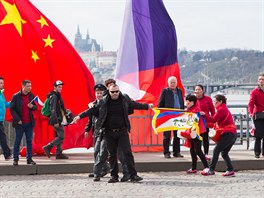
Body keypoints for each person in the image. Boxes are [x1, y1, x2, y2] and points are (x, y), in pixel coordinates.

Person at [72, 84, 153, 183]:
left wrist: (147, 106)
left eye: (117, 91)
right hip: (108, 133)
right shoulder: (103, 102)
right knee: (112, 155)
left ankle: (133, 175)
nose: (115, 94)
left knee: (127, 153)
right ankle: (114, 176)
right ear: (109, 92)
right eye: (113, 92)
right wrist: (79, 116)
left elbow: (135, 105)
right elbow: (91, 110)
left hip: (122, 131)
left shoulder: (124, 99)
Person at [200, 94, 237, 176]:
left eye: (215, 101)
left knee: (216, 150)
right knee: (224, 153)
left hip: (228, 133)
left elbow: (213, 120)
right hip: (232, 133)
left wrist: (204, 114)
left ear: (220, 101)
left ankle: (211, 169)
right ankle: (230, 170)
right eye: (213, 101)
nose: (213, 103)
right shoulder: (223, 108)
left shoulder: (221, 109)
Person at [85, 83, 110, 180]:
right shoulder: (92, 105)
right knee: (96, 152)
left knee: (102, 152)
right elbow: (90, 119)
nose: (99, 94)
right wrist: (87, 129)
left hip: (105, 131)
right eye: (97, 93)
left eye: (101, 93)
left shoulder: (107, 104)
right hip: (96, 131)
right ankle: (100, 169)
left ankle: (99, 171)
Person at [10, 80, 37, 166]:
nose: (30, 88)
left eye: (30, 86)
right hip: (20, 123)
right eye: (28, 86)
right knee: (17, 141)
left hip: (29, 123)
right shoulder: (16, 96)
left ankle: (29, 159)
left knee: (29, 141)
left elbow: (35, 107)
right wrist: (17, 119)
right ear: (23, 86)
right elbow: (12, 109)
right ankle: (15, 159)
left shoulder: (31, 95)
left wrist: (32, 106)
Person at [158, 76, 184, 158]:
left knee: (177, 135)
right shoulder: (165, 91)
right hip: (168, 116)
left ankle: (177, 152)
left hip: (178, 116)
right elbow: (160, 104)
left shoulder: (179, 91)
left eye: (174, 82)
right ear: (168, 83)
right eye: (171, 82)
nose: (173, 84)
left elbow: (181, 102)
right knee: (167, 136)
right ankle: (166, 152)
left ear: (176, 83)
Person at [43, 80, 69, 159]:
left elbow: (58, 108)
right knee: (61, 136)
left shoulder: (57, 95)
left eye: (61, 87)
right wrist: (55, 121)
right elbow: (53, 110)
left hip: (58, 118)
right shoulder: (54, 96)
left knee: (58, 135)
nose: (60, 88)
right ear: (54, 87)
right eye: (59, 87)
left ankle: (59, 153)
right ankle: (48, 147)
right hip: (56, 119)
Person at [184, 94, 209, 174]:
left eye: (189, 101)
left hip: (198, 132)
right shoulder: (189, 109)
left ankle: (207, 167)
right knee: (192, 149)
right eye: (187, 101)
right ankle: (193, 167)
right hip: (191, 132)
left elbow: (194, 115)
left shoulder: (196, 110)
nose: (187, 103)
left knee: (198, 150)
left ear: (193, 102)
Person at [195, 84, 215, 160]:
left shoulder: (208, 99)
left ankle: (206, 153)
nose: (197, 91)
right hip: (196, 121)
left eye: (199, 89)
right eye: (196, 89)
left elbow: (212, 110)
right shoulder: (193, 99)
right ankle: (197, 154)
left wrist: (214, 120)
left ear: (202, 91)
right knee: (197, 139)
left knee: (205, 138)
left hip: (205, 121)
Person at [248, 73, 264, 158]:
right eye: (260, 80)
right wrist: (250, 112)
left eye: (262, 79)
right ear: (258, 81)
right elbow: (251, 104)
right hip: (258, 115)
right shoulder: (254, 91)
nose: (261, 81)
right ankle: (257, 152)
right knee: (258, 135)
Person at [0, 76, 12, 160]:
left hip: (1, 119)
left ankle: (7, 154)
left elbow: (6, 105)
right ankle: (7, 154)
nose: (2, 84)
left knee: (2, 137)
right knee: (2, 137)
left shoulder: (1, 94)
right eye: (0, 83)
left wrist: (13, 101)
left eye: (3, 83)